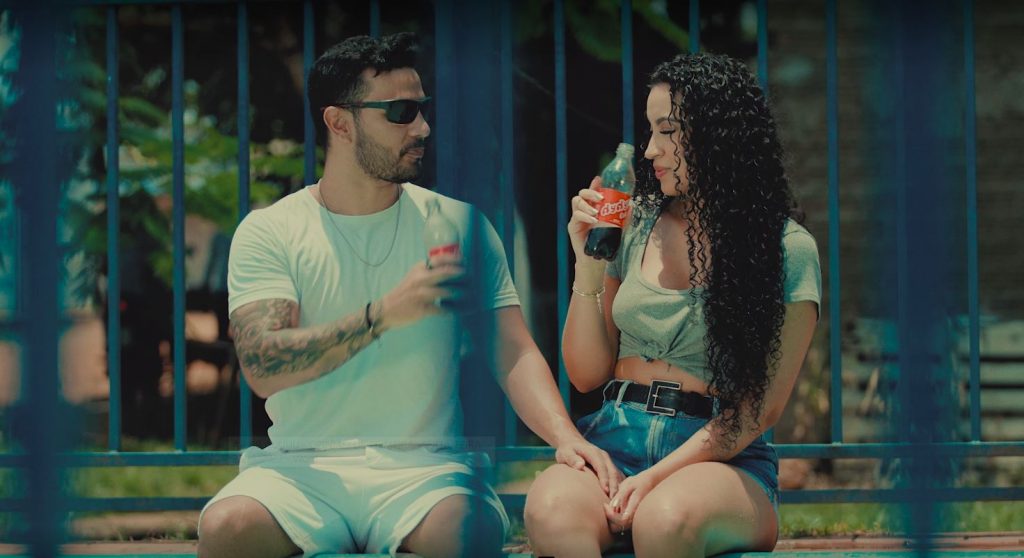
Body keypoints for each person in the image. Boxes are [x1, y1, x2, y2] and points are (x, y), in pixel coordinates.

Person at [197, 32, 617, 558]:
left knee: (467, 532)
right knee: (227, 527)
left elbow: (511, 349)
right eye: (400, 112)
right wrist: (385, 314)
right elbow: (263, 365)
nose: (422, 127)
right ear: (339, 122)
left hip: (427, 470)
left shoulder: (458, 224)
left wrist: (565, 436)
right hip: (302, 467)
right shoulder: (271, 230)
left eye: (422, 108)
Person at [525, 52, 821, 558]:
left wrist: (655, 478)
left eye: (668, 131)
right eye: (650, 130)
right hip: (616, 434)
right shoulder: (634, 222)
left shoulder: (786, 249)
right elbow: (586, 375)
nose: (650, 150)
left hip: (718, 458)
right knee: (550, 510)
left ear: (718, 137)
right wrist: (588, 262)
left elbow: (759, 410)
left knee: (664, 520)